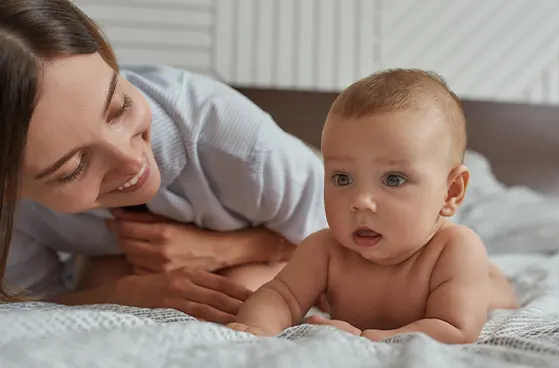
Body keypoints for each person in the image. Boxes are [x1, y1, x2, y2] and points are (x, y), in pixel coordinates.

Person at [0, 0, 327, 324]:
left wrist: (226, 249)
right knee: (104, 277)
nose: (131, 161)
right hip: (121, 260)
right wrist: (127, 294)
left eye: (119, 109)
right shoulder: (11, 204)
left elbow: (345, 241)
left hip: (288, 224)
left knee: (239, 298)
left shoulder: (238, 143)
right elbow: (33, 302)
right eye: (74, 168)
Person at [227, 69, 518, 343]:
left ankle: (490, 277)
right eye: (342, 178)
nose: (360, 201)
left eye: (393, 179)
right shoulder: (324, 249)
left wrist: (363, 337)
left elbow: (455, 329)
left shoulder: (453, 249)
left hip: (470, 281)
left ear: (450, 192)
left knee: (493, 294)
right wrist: (257, 327)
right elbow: (280, 296)